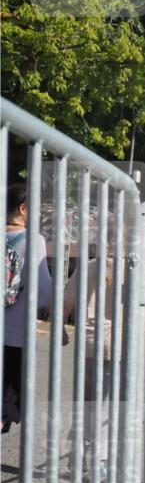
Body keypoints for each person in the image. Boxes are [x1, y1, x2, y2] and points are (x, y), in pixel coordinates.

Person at [3, 182, 54, 433]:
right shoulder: (33, 241)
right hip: (15, 337)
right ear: (23, 209)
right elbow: (44, 292)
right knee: (5, 407)